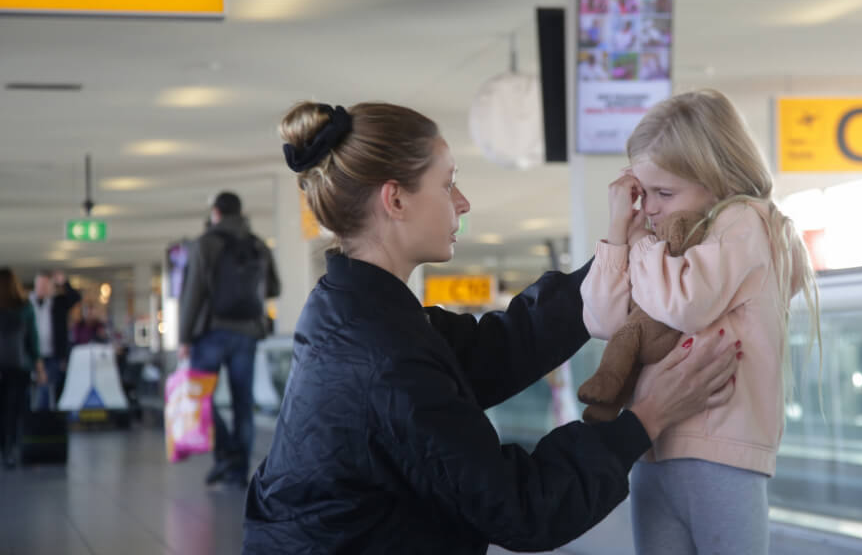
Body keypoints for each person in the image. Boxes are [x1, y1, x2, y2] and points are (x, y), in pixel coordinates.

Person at [242, 101, 740, 554]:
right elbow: (521, 509)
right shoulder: (382, 353)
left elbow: (495, 349)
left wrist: (617, 254)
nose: (462, 202)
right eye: (447, 184)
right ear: (395, 200)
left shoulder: (355, 311)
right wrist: (645, 419)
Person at [581, 89, 821, 555]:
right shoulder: (669, 250)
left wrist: (642, 247)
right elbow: (603, 321)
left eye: (664, 193)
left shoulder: (746, 221)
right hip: (653, 445)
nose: (650, 208)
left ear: (718, 179)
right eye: (643, 193)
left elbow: (685, 305)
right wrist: (617, 233)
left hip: (720, 449)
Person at [178, 191, 281, 488]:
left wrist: (184, 337)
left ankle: (225, 455)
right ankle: (238, 472)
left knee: (200, 397)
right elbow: (274, 288)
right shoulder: (258, 244)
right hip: (247, 333)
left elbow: (193, 293)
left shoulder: (205, 243)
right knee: (242, 404)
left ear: (216, 213)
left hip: (211, 332)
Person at [0, 267, 46, 468]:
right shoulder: (25, 306)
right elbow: (33, 340)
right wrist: (40, 368)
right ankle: (11, 449)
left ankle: (3, 447)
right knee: (15, 410)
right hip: (20, 366)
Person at [28, 270, 80, 410]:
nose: (43, 289)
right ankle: (35, 415)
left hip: (52, 353)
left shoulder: (58, 303)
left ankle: (46, 416)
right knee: (33, 388)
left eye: (46, 285)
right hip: (32, 354)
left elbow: (75, 297)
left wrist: (64, 283)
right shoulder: (27, 303)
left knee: (50, 387)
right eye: (41, 285)